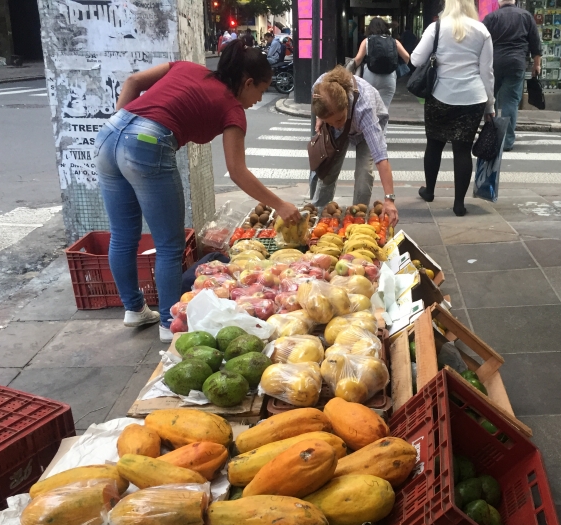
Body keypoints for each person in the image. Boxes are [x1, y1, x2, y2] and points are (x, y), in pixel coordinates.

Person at [94, 41, 300, 342]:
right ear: (247, 82)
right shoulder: (232, 109)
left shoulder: (189, 67)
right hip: (147, 145)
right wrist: (280, 204)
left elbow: (133, 81)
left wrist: (124, 126)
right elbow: (238, 171)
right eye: (261, 90)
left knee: (124, 234)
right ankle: (168, 322)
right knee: (169, 245)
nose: (258, 100)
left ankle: (135, 309)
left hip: (109, 134)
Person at [411, 0, 495, 217]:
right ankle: (459, 204)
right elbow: (487, 72)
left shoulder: (436, 27)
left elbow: (416, 58)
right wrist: (490, 104)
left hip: (440, 94)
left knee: (434, 145)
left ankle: (429, 191)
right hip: (473, 97)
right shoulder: (482, 30)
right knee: (462, 150)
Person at [309, 65, 399, 226]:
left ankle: (357, 218)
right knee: (328, 168)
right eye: (332, 122)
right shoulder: (319, 88)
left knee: (364, 173)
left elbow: (380, 156)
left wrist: (389, 199)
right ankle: (319, 215)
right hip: (343, 122)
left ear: (347, 107)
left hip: (366, 129)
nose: (337, 125)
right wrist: (322, 119)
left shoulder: (364, 109)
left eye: (338, 120)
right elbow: (321, 110)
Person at [483, 0, 541, 151]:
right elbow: (535, 43)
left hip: (494, 63)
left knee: (490, 99)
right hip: (516, 63)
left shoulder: (491, 17)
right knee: (510, 102)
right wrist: (537, 65)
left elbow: (481, 42)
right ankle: (507, 141)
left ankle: (491, 135)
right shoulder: (526, 16)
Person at [352, 18, 411, 109]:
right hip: (389, 78)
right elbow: (407, 57)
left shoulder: (367, 41)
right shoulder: (394, 41)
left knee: (369, 109)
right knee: (383, 110)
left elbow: (358, 59)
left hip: (370, 77)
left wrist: (351, 68)